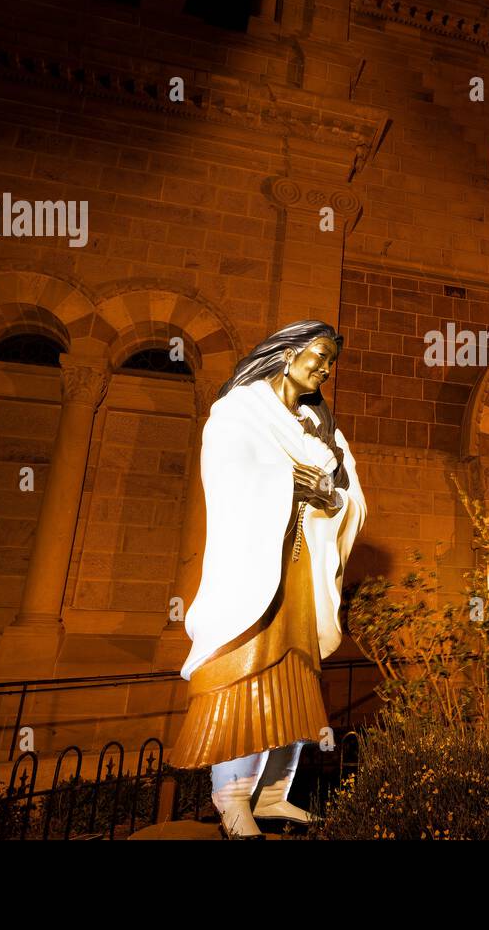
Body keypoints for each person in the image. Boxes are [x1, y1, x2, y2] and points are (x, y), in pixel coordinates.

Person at [167, 320, 367, 838]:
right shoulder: (241, 410)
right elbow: (226, 472)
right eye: (319, 354)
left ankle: (275, 794)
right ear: (287, 352)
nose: (326, 368)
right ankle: (232, 799)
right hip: (254, 570)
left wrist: (329, 498)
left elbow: (351, 497)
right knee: (246, 670)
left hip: (302, 569)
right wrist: (287, 479)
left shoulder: (321, 430)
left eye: (332, 361)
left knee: (296, 676)